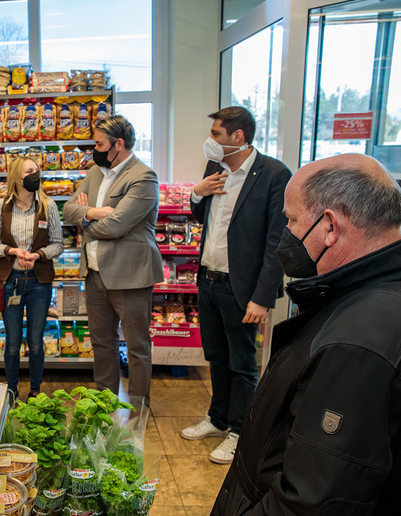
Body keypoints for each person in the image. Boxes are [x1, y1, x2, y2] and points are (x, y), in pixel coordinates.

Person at [212, 153, 401, 514]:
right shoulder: (362, 296)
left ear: (330, 227)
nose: (287, 235)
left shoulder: (356, 344)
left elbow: (311, 501)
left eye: (293, 221)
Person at [180, 107, 292, 465]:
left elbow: (278, 242)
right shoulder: (216, 168)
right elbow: (204, 217)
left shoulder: (273, 174)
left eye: (216, 134)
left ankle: (240, 431)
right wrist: (197, 193)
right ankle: (218, 418)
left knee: (242, 363)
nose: (210, 140)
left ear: (238, 137)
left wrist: (262, 298)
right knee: (215, 355)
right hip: (209, 281)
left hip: (241, 289)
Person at [63, 115, 162, 406]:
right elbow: (68, 209)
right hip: (95, 275)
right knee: (102, 345)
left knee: (137, 347)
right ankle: (103, 405)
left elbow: (117, 226)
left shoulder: (143, 177)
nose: (94, 149)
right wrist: (94, 212)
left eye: (98, 143)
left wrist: (85, 221)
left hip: (130, 277)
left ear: (119, 144)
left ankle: (138, 408)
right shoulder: (95, 172)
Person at [0, 157, 64, 400]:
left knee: (36, 341)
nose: (35, 175)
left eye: (37, 171)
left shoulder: (48, 206)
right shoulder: (0, 207)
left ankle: (35, 391)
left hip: (38, 282)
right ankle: (11, 390)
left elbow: (58, 245)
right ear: (17, 177)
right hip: (11, 281)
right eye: (29, 171)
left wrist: (38, 255)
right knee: (11, 341)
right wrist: (13, 252)